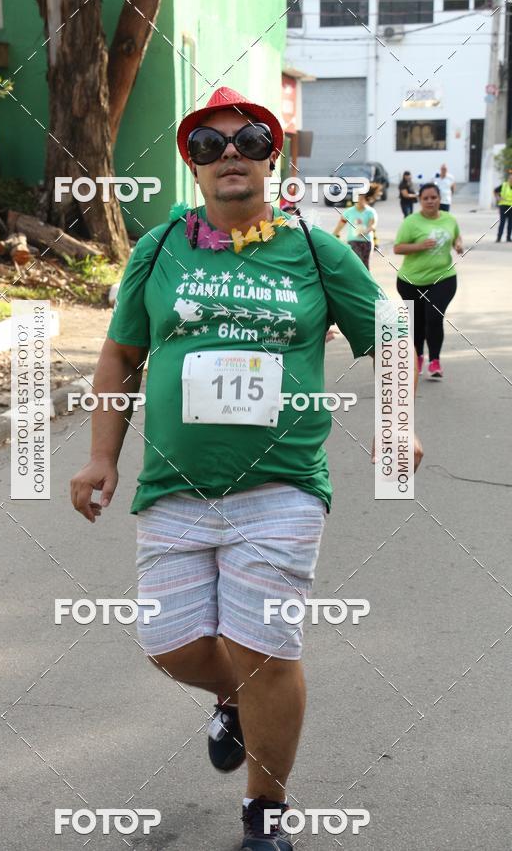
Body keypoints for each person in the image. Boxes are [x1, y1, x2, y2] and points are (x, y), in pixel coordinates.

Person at [70, 86, 422, 850]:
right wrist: (102, 455)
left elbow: (390, 336)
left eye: (248, 139)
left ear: (273, 155)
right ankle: (234, 700)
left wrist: (397, 423)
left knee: (268, 650)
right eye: (209, 144)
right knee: (167, 644)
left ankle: (265, 816)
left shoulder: (314, 249)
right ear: (193, 166)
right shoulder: (160, 247)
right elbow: (122, 354)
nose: (230, 152)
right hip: (172, 488)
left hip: (281, 487)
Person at [394, 183, 463, 378]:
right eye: (426, 198)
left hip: (443, 277)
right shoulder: (411, 222)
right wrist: (420, 246)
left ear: (440, 199)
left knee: (434, 318)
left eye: (434, 197)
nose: (430, 201)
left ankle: (435, 361)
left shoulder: (449, 219)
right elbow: (398, 248)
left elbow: (457, 237)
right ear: (420, 200)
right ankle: (418, 357)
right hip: (411, 281)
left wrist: (458, 245)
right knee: (417, 321)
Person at [332, 182, 381, 269]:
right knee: (355, 266)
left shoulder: (370, 212)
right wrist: (333, 235)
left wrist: (364, 231)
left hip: (366, 242)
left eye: (362, 198)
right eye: (358, 198)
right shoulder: (349, 212)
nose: (360, 200)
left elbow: (372, 226)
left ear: (366, 199)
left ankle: (365, 282)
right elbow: (340, 225)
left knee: (365, 266)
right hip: (353, 241)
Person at [493, 169, 512, 242]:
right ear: (508, 179)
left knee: (510, 223)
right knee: (502, 222)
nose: (511, 180)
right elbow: (495, 191)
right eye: (510, 178)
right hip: (503, 206)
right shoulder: (504, 185)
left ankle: (508, 238)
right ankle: (499, 237)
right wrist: (498, 198)